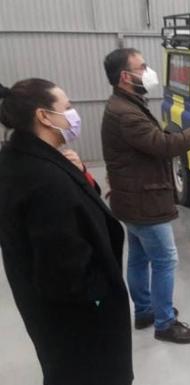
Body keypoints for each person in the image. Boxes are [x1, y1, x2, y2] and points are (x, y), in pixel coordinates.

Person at [0, 79, 133, 385]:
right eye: (68, 108)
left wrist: (77, 172)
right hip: (80, 326)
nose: (74, 115)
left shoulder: (24, 157)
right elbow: (66, 272)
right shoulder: (44, 181)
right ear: (44, 117)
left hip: (52, 319)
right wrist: (100, 297)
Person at [101, 48, 190, 343]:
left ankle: (144, 310)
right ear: (126, 77)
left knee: (139, 257)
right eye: (143, 67)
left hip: (132, 198)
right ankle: (165, 323)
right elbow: (164, 146)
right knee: (165, 260)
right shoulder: (126, 113)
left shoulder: (124, 104)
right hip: (143, 200)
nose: (149, 71)